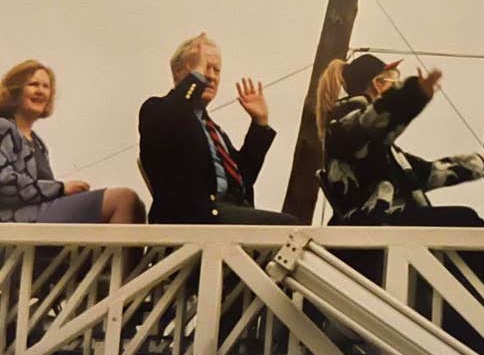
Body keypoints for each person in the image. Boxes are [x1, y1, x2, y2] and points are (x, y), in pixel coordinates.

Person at [315, 53, 484, 355]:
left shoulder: (384, 148)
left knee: (464, 225)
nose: (391, 87)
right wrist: (413, 92)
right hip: (371, 235)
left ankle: (471, 323)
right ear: (375, 85)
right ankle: (474, 321)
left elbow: (426, 173)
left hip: (390, 232)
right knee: (464, 222)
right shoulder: (343, 127)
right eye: (387, 81)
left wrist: (482, 161)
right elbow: (372, 122)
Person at [139, 33, 299, 225]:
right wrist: (195, 80)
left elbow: (243, 181)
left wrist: (259, 124)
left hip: (226, 217)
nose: (211, 76)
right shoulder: (156, 109)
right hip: (191, 220)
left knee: (293, 234)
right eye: (203, 66)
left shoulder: (215, 131)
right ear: (178, 71)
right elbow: (173, 117)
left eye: (217, 70)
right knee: (290, 229)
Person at [0, 60, 145, 224]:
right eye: (33, 84)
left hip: (39, 217)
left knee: (134, 205)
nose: (40, 91)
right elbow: (4, 184)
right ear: (15, 90)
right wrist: (61, 189)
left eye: (45, 87)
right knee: (123, 200)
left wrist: (64, 194)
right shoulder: (3, 127)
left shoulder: (38, 143)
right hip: (16, 223)